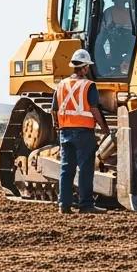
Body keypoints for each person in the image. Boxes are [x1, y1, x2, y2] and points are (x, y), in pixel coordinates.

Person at [50, 48, 111, 215]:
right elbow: (94, 109)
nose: (88, 69)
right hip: (84, 132)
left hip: (65, 132)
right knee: (85, 169)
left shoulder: (61, 85)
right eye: (87, 67)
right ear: (84, 68)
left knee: (66, 169)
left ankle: (64, 205)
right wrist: (105, 129)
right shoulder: (89, 85)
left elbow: (54, 109)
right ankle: (86, 205)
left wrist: (57, 126)